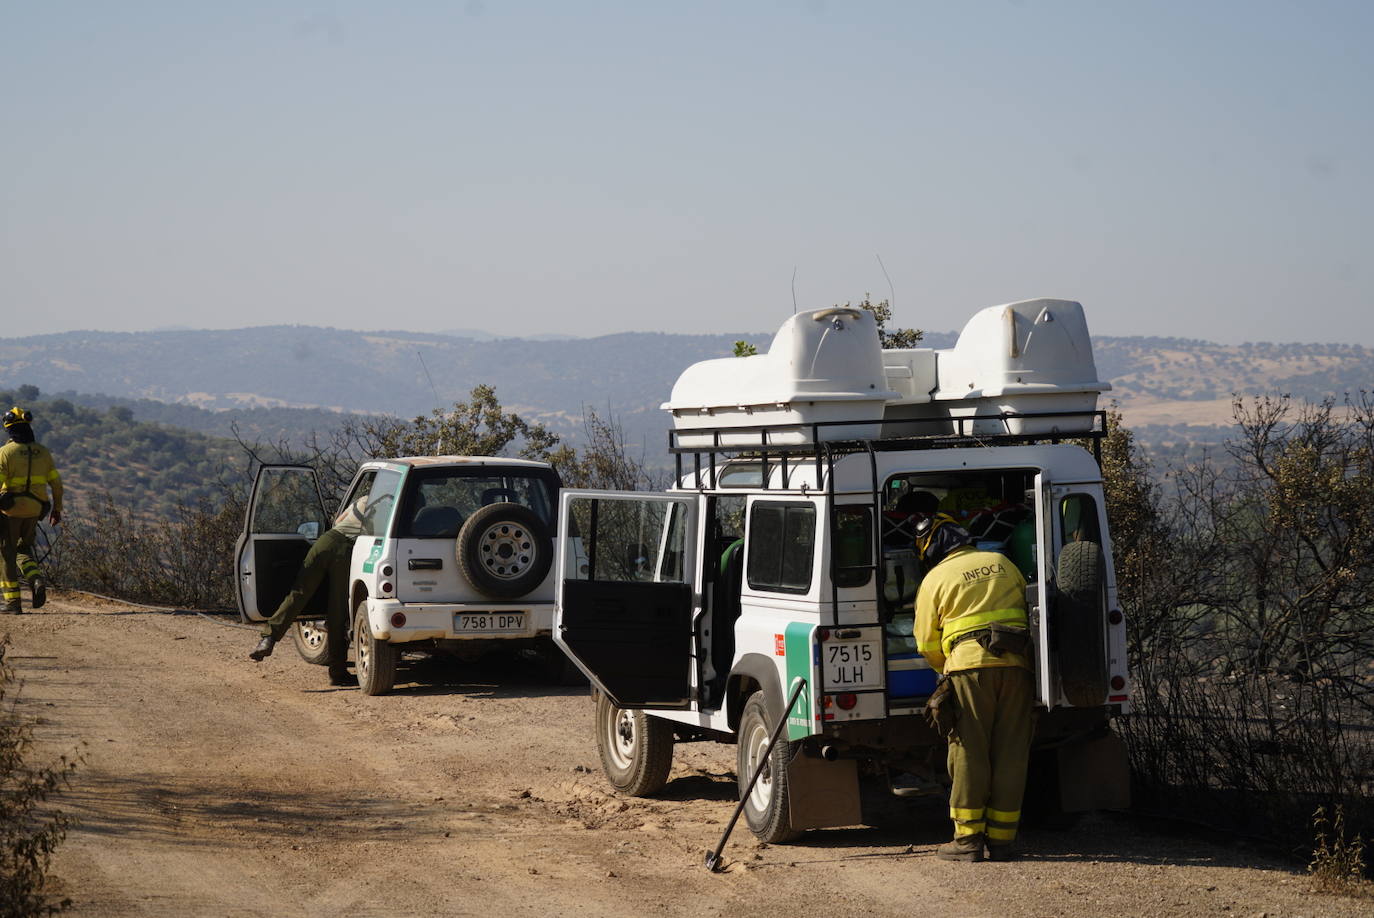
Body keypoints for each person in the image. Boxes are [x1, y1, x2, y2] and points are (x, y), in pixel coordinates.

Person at [913, 513, 1034, 862]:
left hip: (968, 670)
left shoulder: (936, 578)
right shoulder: (1002, 562)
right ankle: (1002, 841)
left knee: (969, 751)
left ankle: (966, 841)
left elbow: (925, 641)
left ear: (933, 548)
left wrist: (945, 669)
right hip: (1017, 668)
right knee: (1011, 753)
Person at [248, 494, 374, 685]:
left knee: (298, 592)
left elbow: (338, 521)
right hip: (345, 551)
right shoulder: (385, 506)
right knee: (338, 613)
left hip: (324, 542)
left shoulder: (363, 500)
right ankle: (337, 672)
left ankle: (268, 638)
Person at [0, 407, 63, 614]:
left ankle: (13, 604)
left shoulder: (5, 452)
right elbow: (56, 484)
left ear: (9, 430)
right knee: (23, 550)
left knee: (6, 555)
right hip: (35, 510)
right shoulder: (43, 452)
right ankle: (35, 579)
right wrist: (57, 510)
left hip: (10, 512)